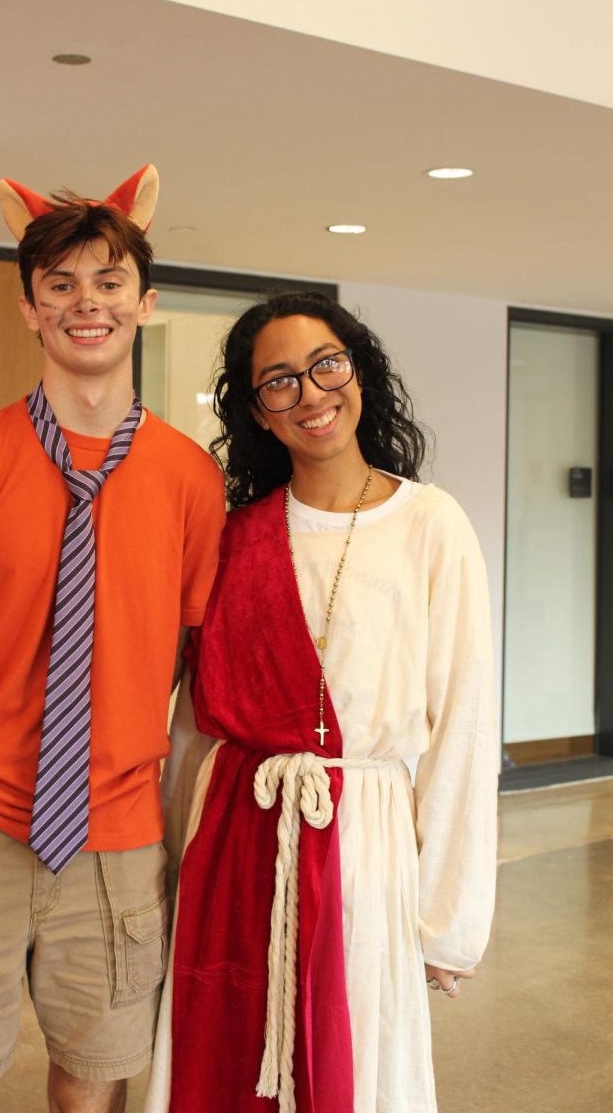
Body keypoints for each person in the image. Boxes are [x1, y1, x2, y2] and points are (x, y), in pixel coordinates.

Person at [0, 167, 226, 1113]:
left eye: (108, 282)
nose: (86, 304)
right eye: (60, 285)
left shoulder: (191, 481)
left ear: (144, 305)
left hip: (117, 835)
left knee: (97, 1083)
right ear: (29, 308)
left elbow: (190, 662)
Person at [145, 291, 498, 1113]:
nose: (310, 393)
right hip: (235, 833)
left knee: (354, 1052)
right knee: (222, 1054)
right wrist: (170, 872)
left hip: (363, 837)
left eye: (326, 365)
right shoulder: (238, 537)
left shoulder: (430, 524)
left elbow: (464, 728)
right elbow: (194, 726)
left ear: (360, 374)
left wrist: (447, 916)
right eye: (278, 382)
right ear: (257, 412)